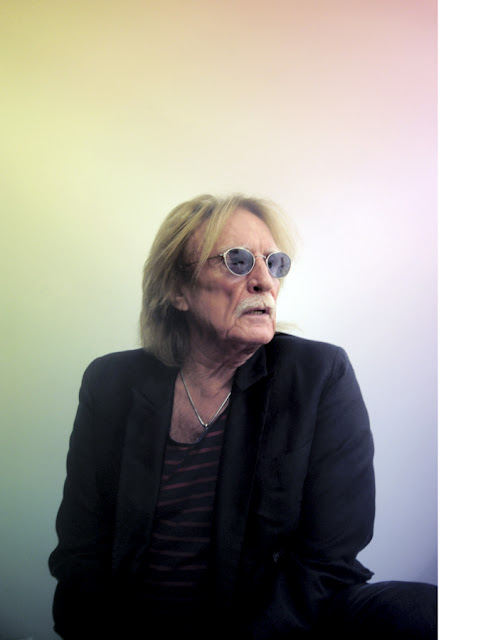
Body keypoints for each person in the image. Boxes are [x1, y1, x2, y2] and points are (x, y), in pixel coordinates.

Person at [49, 193, 437, 639]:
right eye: (237, 261)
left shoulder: (318, 376)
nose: (264, 281)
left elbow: (329, 559)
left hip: (268, 633)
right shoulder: (111, 384)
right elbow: (81, 546)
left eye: (274, 263)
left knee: (419, 613)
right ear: (177, 290)